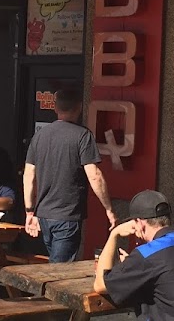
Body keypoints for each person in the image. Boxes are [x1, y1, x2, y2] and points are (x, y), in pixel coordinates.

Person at [93, 190, 174, 321]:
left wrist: (114, 234)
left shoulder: (147, 254)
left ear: (139, 223)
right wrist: (132, 263)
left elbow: (100, 285)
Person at [23, 88, 116, 262]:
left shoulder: (40, 136)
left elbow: (29, 175)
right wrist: (109, 209)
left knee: (56, 263)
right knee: (60, 271)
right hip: (67, 215)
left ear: (55, 108)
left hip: (44, 214)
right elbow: (94, 175)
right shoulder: (83, 136)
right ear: (79, 107)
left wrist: (30, 211)